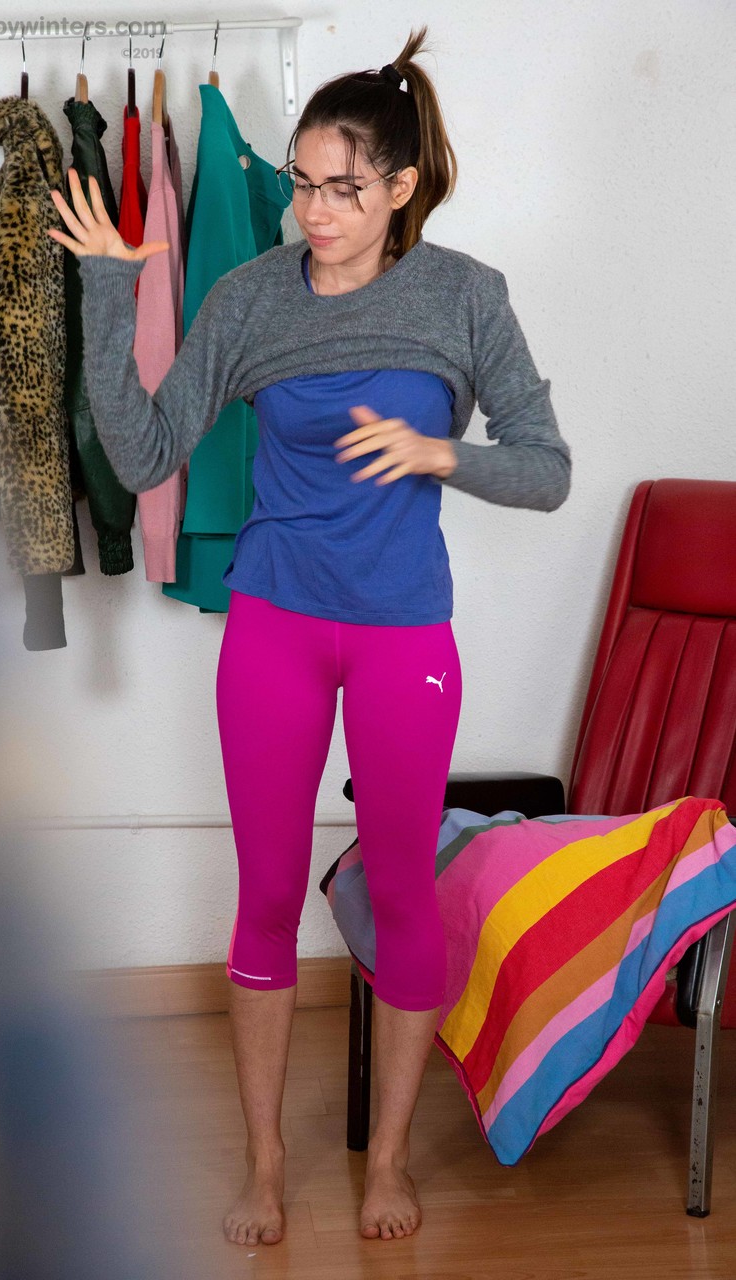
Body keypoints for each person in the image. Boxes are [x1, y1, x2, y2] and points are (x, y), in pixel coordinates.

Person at [48, 24, 571, 1249]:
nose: (314, 211)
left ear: (400, 187)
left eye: (344, 188)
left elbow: (546, 470)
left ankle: (386, 1158)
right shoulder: (248, 299)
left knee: (401, 892)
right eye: (301, 182)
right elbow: (144, 455)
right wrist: (110, 290)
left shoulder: (464, 296)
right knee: (269, 891)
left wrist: (439, 450)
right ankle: (266, 1163)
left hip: (401, 635)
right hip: (276, 625)